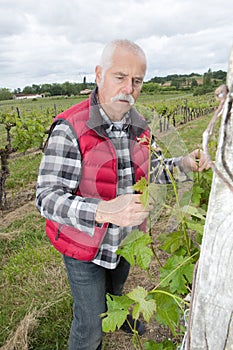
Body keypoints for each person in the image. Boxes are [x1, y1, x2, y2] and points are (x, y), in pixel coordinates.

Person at [36, 39, 210, 350]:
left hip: (126, 241)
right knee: (90, 327)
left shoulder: (140, 125)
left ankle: (119, 314)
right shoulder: (70, 128)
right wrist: (103, 211)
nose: (129, 88)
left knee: (116, 291)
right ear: (99, 74)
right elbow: (47, 197)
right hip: (84, 248)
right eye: (120, 77)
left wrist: (182, 163)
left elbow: (153, 168)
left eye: (137, 80)